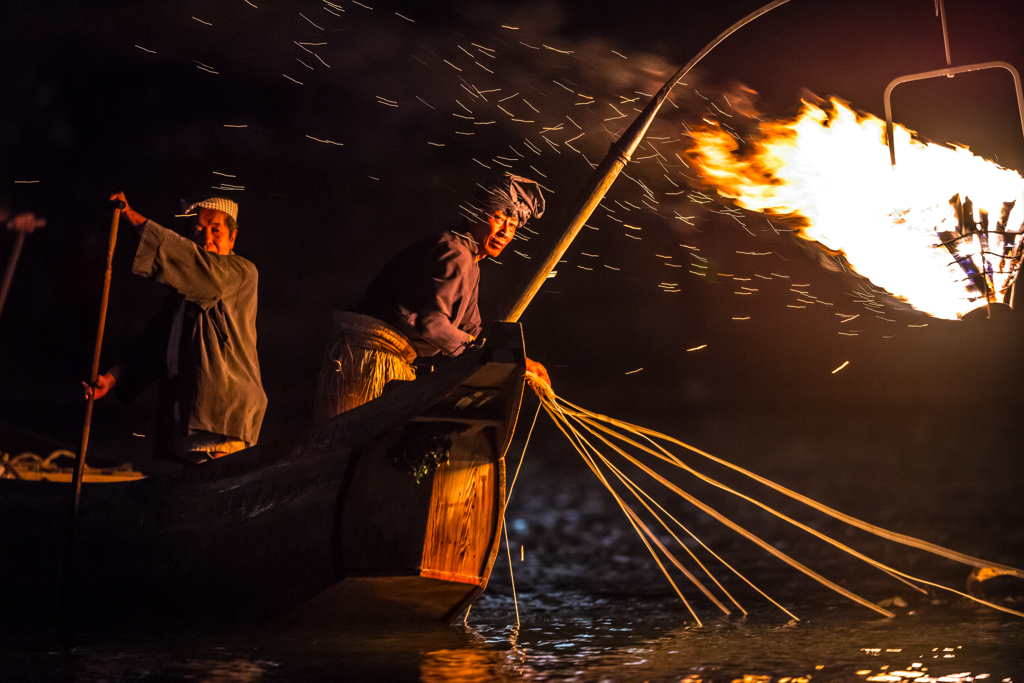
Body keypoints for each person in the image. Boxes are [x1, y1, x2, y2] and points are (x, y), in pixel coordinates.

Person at [315, 175, 551, 419]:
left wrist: (518, 361)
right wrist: (496, 356)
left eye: (512, 227)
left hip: (389, 358)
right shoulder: (455, 252)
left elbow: (473, 331)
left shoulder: (471, 262)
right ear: (475, 214)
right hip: (369, 357)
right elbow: (432, 325)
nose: (505, 232)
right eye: (499, 219)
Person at [85, 192, 267, 463]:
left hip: (221, 421)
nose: (206, 239)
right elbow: (155, 344)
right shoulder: (185, 294)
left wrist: (131, 217)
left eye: (216, 231)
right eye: (199, 230)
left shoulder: (239, 273)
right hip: (183, 416)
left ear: (232, 238)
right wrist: (111, 378)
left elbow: (193, 264)